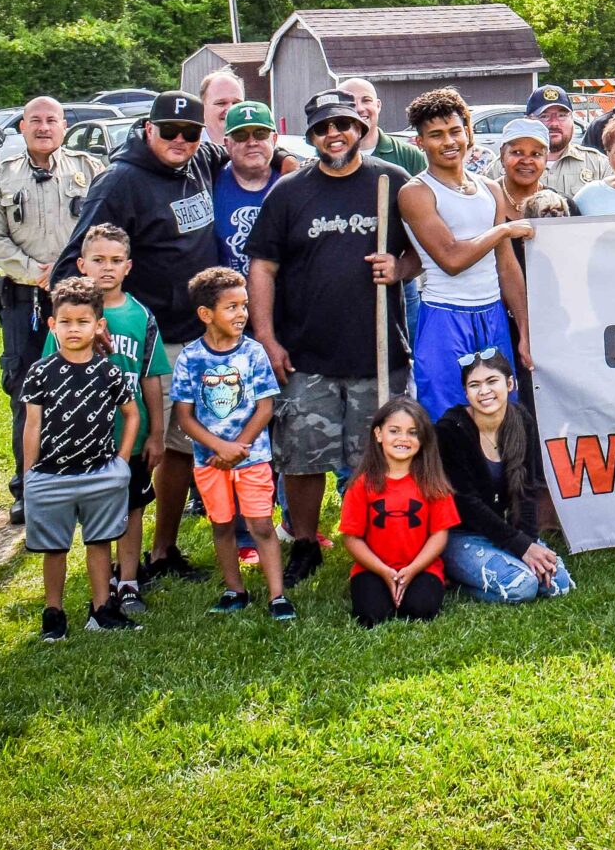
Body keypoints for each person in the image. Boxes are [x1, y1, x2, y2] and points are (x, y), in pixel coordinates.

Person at [250, 89, 420, 588]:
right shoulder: (289, 192)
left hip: (376, 351)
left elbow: (421, 251)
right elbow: (262, 264)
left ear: (360, 129)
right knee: (301, 457)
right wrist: (266, 336)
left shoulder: (391, 183)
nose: (334, 134)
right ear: (312, 136)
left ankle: (375, 538)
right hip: (306, 354)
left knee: (376, 455)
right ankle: (304, 542)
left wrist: (399, 267)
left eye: (343, 125)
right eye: (324, 127)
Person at [52, 91, 221, 581]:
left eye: (190, 133)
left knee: (180, 449)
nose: (181, 141)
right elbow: (75, 262)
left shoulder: (199, 160)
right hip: (150, 341)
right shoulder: (120, 181)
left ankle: (163, 551)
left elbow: (248, 149)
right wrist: (88, 324)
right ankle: (123, 568)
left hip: (198, 335)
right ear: (148, 130)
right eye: (169, 132)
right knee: (143, 451)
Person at [0, 95, 105, 522]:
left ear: (65, 126)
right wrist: (35, 272)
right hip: (25, 299)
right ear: (22, 127)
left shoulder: (90, 170)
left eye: (52, 120)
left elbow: (106, 224)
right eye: (35, 120)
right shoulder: (1, 178)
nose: (44, 127)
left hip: (82, 296)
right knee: (26, 392)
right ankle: (28, 489)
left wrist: (79, 272)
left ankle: (86, 481)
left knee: (90, 388)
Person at [43, 224, 169, 612]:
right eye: (98, 260)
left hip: (129, 435)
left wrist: (157, 432)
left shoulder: (140, 316)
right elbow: (48, 378)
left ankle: (128, 580)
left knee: (132, 507)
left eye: (116, 261)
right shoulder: (70, 317)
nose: (107, 268)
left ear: (129, 267)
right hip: (81, 439)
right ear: (82, 265)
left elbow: (150, 376)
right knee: (92, 514)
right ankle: (97, 584)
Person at [19, 277, 142, 642]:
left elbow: (131, 415)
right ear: (52, 324)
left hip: (100, 473)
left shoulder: (109, 372)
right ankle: (53, 613)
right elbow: (32, 425)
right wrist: (29, 474)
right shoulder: (41, 372)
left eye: (83, 322)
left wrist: (120, 462)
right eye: (66, 322)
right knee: (55, 548)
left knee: (99, 541)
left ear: (98, 325)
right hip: (51, 475)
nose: (75, 329)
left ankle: (102, 608)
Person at [400, 90, 534, 422]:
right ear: (419, 142)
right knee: (449, 421)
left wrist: (527, 331)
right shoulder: (416, 192)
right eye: (436, 135)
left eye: (455, 131)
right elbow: (452, 259)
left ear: (468, 132)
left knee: (501, 417)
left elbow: (506, 266)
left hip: (492, 315)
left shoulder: (490, 189)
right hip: (445, 317)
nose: (448, 141)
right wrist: (503, 230)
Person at [169, 265, 291, 619]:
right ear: (206, 314)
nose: (241, 314)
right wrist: (219, 448)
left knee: (262, 525)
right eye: (232, 307)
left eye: (244, 306)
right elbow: (185, 416)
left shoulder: (253, 354)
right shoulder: (191, 358)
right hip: (210, 461)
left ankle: (277, 595)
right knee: (222, 525)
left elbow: (265, 407)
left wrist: (239, 446)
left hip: (251, 458)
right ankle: (234, 589)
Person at [435, 354, 575, 603]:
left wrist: (529, 543)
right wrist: (520, 547)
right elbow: (466, 504)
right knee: (523, 587)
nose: (484, 391)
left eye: (492, 381)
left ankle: (498, 568)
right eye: (474, 385)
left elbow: (527, 491)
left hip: (505, 528)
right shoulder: (450, 430)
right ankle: (457, 579)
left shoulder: (521, 420)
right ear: (466, 393)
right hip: (461, 533)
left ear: (510, 384)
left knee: (557, 584)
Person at [340, 396, 458, 626]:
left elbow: (439, 534)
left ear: (423, 439)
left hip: (422, 567)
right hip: (373, 567)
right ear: (378, 434)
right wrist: (384, 571)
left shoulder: (432, 483)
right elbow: (352, 537)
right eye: (394, 431)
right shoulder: (362, 484)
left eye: (413, 433)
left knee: (421, 609)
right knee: (372, 615)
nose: (403, 439)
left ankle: (415, 585)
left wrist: (413, 569)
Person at [211, 102, 285, 272]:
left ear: (273, 139)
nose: (252, 142)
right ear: (227, 143)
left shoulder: (292, 183)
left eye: (261, 133)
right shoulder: (209, 180)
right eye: (240, 135)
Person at [527, 86, 613, 201]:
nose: (554, 123)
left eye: (561, 115)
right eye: (544, 116)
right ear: (527, 120)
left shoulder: (599, 165)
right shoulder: (504, 167)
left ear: (572, 119)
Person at [338, 76, 428, 177]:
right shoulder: (330, 157)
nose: (359, 108)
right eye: (351, 103)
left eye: (366, 100)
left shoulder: (409, 155)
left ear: (378, 105)